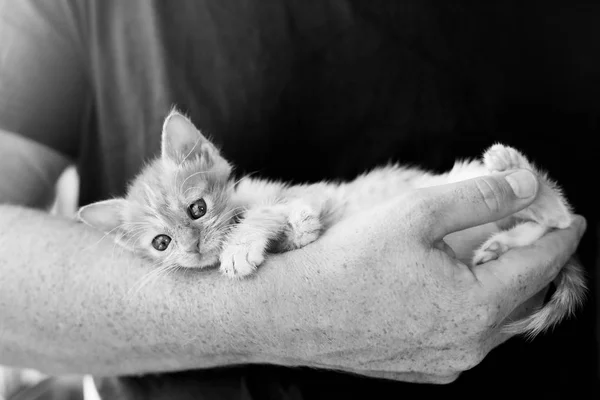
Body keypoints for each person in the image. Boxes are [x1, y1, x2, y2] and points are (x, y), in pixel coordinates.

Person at [0, 1, 595, 399]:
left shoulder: (249, 198)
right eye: (162, 243)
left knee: (469, 191)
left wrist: (256, 230)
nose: (193, 242)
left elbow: (303, 219)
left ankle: (537, 212)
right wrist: (279, 315)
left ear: (205, 157)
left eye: (197, 212)